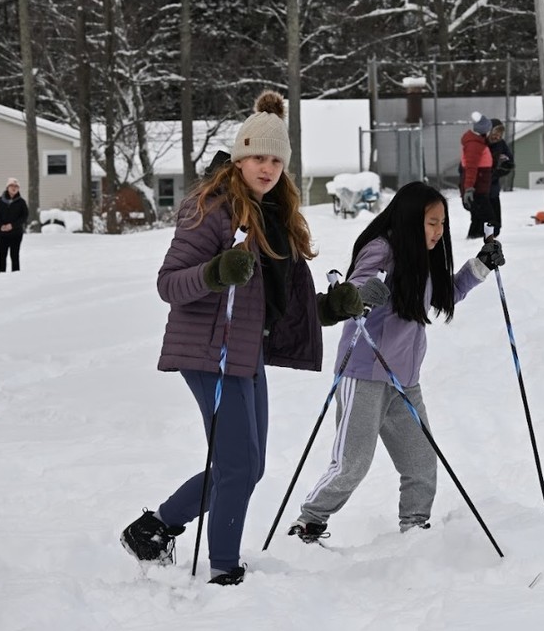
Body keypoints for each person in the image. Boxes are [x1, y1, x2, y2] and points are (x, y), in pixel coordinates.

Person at [119, 90, 385, 585]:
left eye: (276, 159)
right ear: (240, 157)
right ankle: (224, 570)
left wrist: (332, 307)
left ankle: (154, 528)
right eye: (258, 157)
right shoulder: (211, 208)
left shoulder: (273, 215)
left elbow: (279, 306)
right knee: (238, 468)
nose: (267, 167)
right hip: (208, 352)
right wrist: (217, 271)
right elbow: (169, 283)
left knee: (248, 467)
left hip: (246, 354)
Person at [288, 181, 505, 544]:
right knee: (352, 465)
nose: (438, 232)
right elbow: (353, 292)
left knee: (421, 463)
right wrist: (360, 296)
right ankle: (308, 523)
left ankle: (414, 533)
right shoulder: (381, 250)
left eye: (441, 224)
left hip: (404, 379)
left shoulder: (422, 254)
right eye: (431, 222)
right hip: (365, 373)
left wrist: (480, 266)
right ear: (408, 219)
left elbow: (444, 294)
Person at [459, 111, 495, 239]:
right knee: (486, 216)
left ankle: (476, 237)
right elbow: (471, 168)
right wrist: (469, 188)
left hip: (479, 186)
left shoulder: (479, 142)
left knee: (478, 217)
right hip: (476, 187)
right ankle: (481, 239)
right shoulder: (474, 145)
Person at [485, 119, 515, 237]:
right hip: (481, 188)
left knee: (495, 215)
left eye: (499, 135)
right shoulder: (482, 144)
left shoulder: (501, 145)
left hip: (493, 186)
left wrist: (503, 167)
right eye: (495, 134)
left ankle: (494, 233)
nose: (497, 137)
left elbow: (510, 162)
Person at [0, 178, 28, 272]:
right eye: (12, 186)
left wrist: (12, 225)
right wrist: (0, 225)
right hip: (2, 233)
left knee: (15, 255)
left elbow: (24, 217)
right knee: (2, 255)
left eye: (16, 186)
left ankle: (16, 275)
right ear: (7, 187)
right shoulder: (0, 200)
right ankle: (1, 274)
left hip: (16, 234)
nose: (14, 188)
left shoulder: (21, 202)